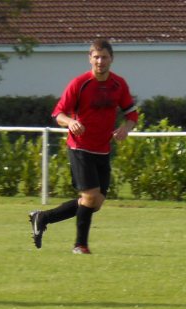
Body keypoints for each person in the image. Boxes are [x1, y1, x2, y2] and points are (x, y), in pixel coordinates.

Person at [28, 39, 138, 254]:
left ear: (111, 59)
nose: (100, 61)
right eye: (96, 57)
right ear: (90, 59)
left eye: (104, 57)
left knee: (95, 203)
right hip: (80, 148)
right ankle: (80, 245)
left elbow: (131, 114)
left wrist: (126, 127)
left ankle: (43, 217)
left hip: (103, 149)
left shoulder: (119, 84)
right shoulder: (79, 83)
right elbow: (58, 113)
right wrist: (71, 122)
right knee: (89, 198)